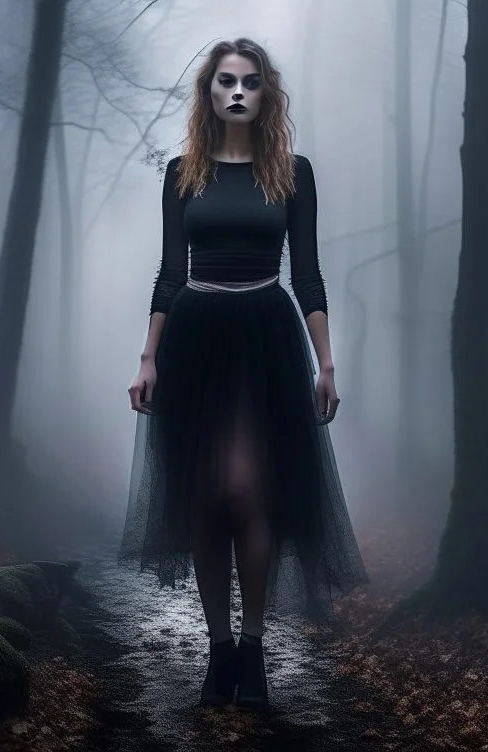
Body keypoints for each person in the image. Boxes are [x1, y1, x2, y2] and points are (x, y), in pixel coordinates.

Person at [119, 38, 368, 711]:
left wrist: (327, 361)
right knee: (203, 497)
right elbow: (171, 272)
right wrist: (148, 356)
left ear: (266, 95)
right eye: (225, 81)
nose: (236, 91)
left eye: (250, 82)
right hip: (196, 338)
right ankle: (220, 651)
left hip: (265, 335)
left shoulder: (292, 172)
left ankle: (254, 650)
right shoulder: (181, 173)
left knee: (247, 490)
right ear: (209, 93)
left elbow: (308, 273)